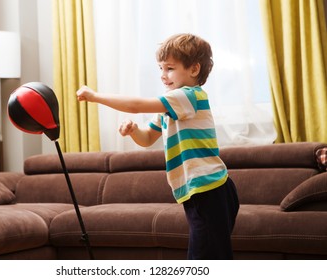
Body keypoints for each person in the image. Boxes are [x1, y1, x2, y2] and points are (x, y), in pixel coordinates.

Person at [76, 33, 239, 260]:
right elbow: (147, 139)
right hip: (199, 192)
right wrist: (134, 131)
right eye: (160, 69)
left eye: (170, 68)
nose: (163, 76)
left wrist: (95, 96)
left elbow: (135, 105)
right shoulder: (170, 105)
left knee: (204, 259)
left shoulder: (188, 96)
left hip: (209, 191)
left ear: (193, 69)